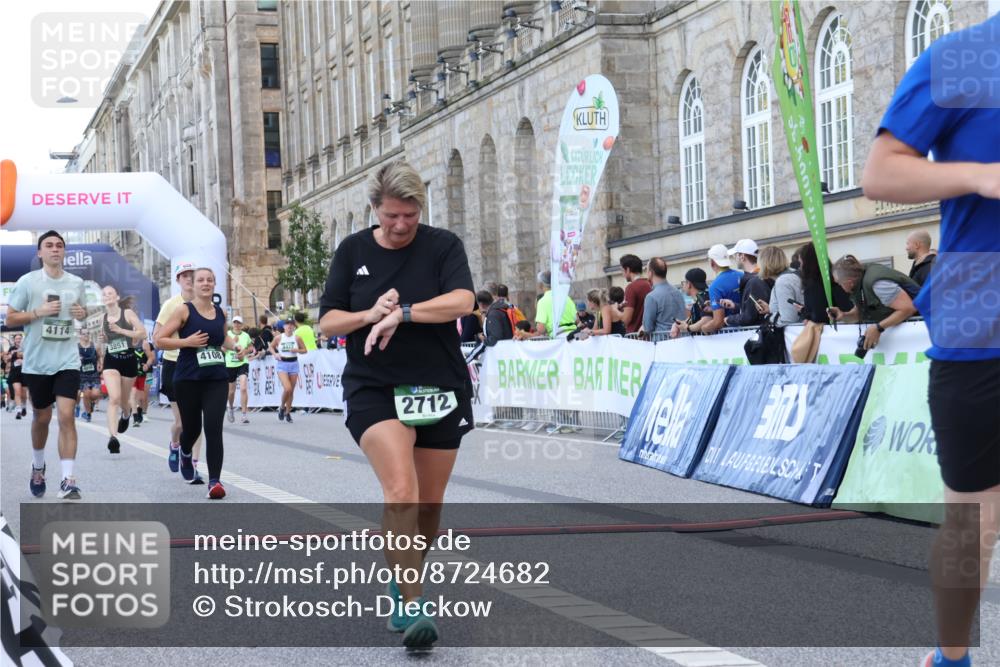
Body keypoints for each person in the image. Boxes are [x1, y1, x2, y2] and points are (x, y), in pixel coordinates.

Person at [861, 15, 1000, 666]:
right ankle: (951, 656)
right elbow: (882, 173)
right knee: (974, 521)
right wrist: (979, 176)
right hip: (983, 331)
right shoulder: (967, 57)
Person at [318, 160, 476, 649]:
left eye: (410, 215)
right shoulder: (353, 251)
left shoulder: (443, 245)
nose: (401, 225)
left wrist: (404, 313)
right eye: (391, 216)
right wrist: (369, 314)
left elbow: (463, 301)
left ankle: (401, 575)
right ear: (375, 210)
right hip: (375, 387)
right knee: (401, 491)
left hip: (438, 386)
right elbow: (328, 322)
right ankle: (412, 605)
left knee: (428, 508)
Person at [5, 230, 88, 499]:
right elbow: (10, 319)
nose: (55, 249)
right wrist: (37, 312)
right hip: (37, 362)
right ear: (40, 252)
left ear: (64, 251)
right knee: (42, 418)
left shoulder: (76, 283)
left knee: (66, 416)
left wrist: (82, 313)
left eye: (59, 245)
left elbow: (84, 313)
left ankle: (68, 480)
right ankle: (38, 466)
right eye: (49, 245)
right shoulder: (28, 282)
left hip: (67, 360)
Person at [154, 267, 238, 500]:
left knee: (214, 428)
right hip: (188, 378)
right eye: (201, 280)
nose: (206, 283)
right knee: (192, 429)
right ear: (194, 284)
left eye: (210, 280)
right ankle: (185, 451)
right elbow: (159, 340)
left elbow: (223, 338)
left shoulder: (220, 312)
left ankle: (214, 482)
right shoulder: (184, 310)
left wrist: (237, 347)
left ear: (214, 284)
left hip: (216, 377)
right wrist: (187, 342)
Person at [154, 261, 205, 483]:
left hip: (197, 364)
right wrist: (185, 342)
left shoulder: (204, 303)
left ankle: (194, 465)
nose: (189, 279)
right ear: (178, 280)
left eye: (192, 274)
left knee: (196, 420)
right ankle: (175, 445)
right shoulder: (171, 305)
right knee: (182, 422)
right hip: (174, 364)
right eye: (184, 275)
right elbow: (156, 338)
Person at [828, 255, 920, 352]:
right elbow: (859, 314)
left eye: (839, 283)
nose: (839, 286)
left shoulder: (877, 284)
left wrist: (878, 328)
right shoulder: (860, 283)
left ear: (849, 282)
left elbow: (908, 308)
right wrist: (843, 316)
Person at [97, 284, 146, 454]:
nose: (107, 295)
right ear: (102, 299)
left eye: (110, 293)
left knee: (124, 401)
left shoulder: (127, 313)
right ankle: (113, 437)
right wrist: (103, 339)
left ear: (117, 297)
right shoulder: (102, 318)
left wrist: (121, 330)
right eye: (104, 294)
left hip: (128, 360)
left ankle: (126, 414)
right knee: (114, 398)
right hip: (111, 360)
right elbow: (104, 342)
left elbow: (142, 333)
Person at [723, 240, 770, 328]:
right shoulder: (758, 277)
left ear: (742, 257)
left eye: (735, 255)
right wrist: (735, 306)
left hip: (759, 332)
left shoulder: (754, 281)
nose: (735, 259)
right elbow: (754, 309)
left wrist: (729, 319)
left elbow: (749, 317)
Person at [269, 318, 307, 422]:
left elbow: (305, 350)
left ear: (294, 326)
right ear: (284, 326)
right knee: (287, 388)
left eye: (291, 324)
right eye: (287, 324)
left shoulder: (297, 338)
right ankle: (282, 407)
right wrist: (275, 354)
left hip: (293, 363)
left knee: (291, 391)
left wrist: (297, 350)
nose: (289, 326)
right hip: (282, 364)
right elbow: (271, 347)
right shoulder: (279, 337)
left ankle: (288, 412)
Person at [700, 243, 742, 334]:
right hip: (750, 329)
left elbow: (718, 322)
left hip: (732, 335)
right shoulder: (742, 275)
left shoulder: (715, 286)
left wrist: (703, 328)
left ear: (712, 262)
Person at [640, 257, 686, 337]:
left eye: (646, 269)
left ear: (651, 273)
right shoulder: (678, 292)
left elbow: (648, 328)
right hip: (681, 338)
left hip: (661, 341)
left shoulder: (651, 297)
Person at [226, 315, 253, 424]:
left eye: (239, 323)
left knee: (243, 388)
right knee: (231, 392)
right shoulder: (227, 334)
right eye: (235, 322)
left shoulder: (246, 335)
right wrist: (232, 343)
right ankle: (230, 407)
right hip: (230, 364)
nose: (237, 325)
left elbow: (251, 347)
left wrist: (244, 352)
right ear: (232, 324)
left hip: (243, 363)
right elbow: (222, 349)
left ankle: (244, 414)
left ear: (242, 325)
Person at [533, 270, 576, 337]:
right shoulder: (566, 298)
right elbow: (577, 319)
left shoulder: (542, 301)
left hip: (558, 336)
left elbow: (541, 329)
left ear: (541, 285)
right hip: (573, 335)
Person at [673, 268, 712, 337]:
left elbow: (707, 319)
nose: (683, 285)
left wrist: (688, 328)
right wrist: (678, 325)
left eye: (684, 282)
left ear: (689, 284)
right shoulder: (702, 297)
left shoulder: (702, 297)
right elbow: (693, 320)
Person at [619, 254, 652, 334]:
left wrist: (614, 311)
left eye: (622, 270)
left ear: (627, 269)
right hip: (650, 334)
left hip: (635, 335)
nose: (622, 274)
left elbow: (626, 319)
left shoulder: (631, 288)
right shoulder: (651, 284)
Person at [77, 331, 101, 422]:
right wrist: (77, 359)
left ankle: (91, 403)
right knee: (86, 394)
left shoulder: (95, 346)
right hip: (82, 375)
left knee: (96, 394)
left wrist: (100, 363)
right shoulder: (76, 347)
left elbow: (99, 356)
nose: (86, 335)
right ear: (80, 335)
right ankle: (87, 413)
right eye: (84, 333)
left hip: (94, 374)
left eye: (88, 333)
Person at [131, 337, 154, 427]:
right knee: (134, 394)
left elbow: (152, 358)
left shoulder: (147, 344)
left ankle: (143, 412)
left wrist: (147, 365)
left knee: (143, 396)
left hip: (146, 373)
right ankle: (136, 416)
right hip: (133, 373)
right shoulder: (128, 343)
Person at [7, 333, 26, 418]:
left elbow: (29, 356)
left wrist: (22, 360)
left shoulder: (26, 348)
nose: (18, 340)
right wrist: (10, 356)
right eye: (17, 339)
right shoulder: (11, 348)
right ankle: (18, 411)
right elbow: (8, 358)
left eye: (20, 338)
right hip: (15, 373)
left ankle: (24, 407)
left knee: (24, 394)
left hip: (25, 372)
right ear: (14, 340)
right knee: (17, 391)